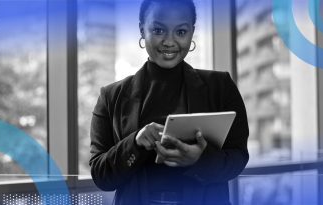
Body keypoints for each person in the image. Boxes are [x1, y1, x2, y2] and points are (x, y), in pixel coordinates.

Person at [89, 0, 249, 204]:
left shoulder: (221, 86)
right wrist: (135, 143)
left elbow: (238, 158)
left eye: (181, 32)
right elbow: (101, 176)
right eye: (158, 30)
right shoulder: (111, 96)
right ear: (142, 30)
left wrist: (199, 160)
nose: (169, 42)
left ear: (192, 32)